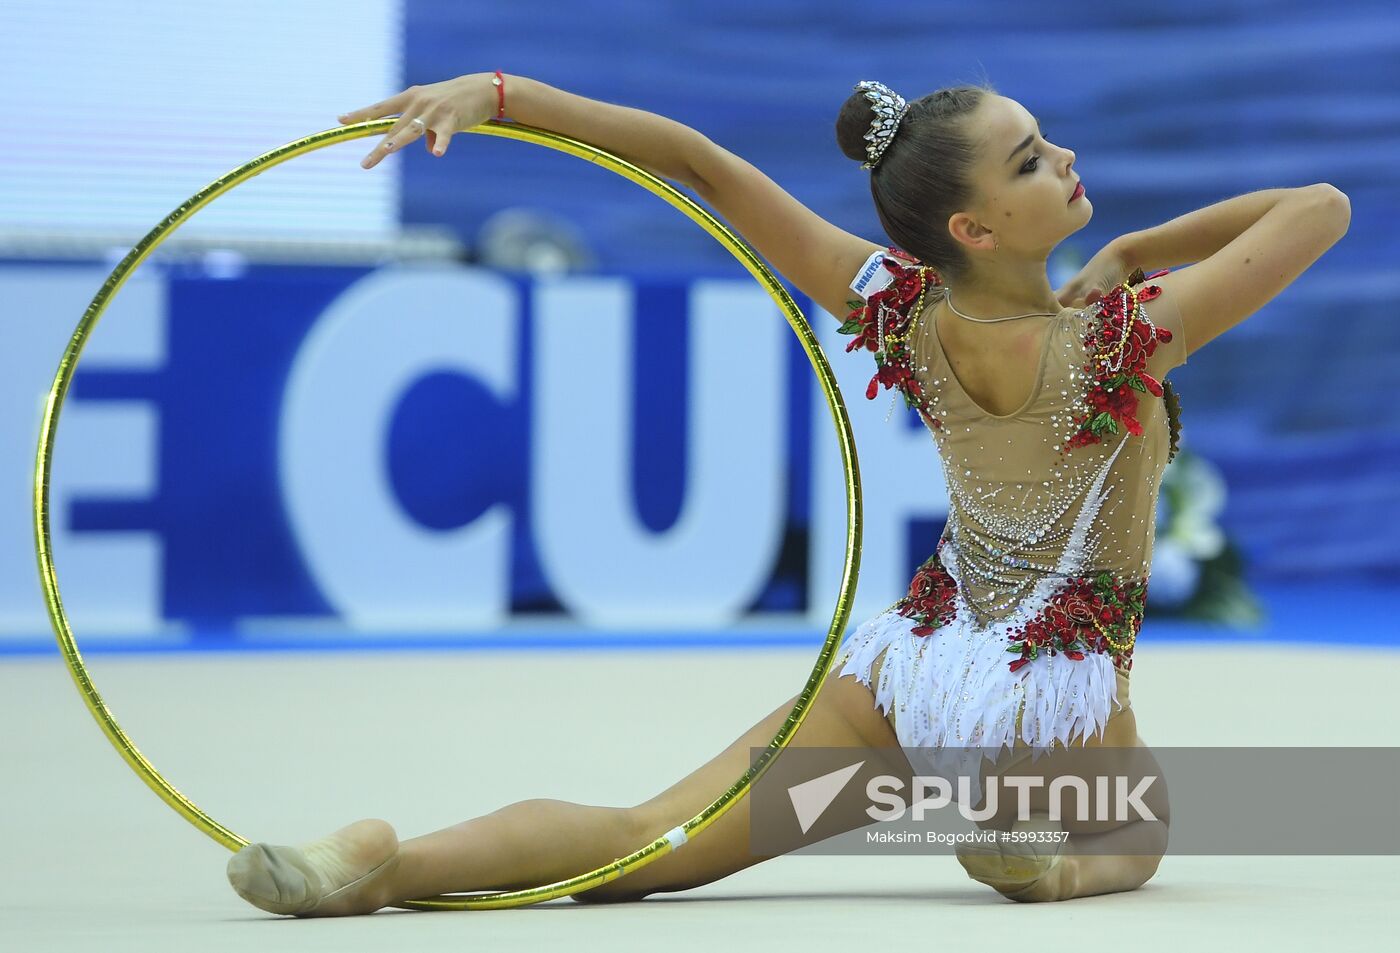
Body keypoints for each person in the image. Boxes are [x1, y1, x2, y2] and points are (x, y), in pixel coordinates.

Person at [225, 71, 1350, 916]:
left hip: (906, 678)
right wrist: (1139, 245)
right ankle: (1042, 855)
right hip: (1046, 696)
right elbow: (1317, 207)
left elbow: (701, 165)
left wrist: (502, 95)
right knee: (1137, 830)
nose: (1061, 159)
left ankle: (378, 861)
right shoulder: (1122, 338)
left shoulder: (898, 309)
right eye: (1027, 161)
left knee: (646, 839)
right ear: (972, 227)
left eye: (1042, 140)